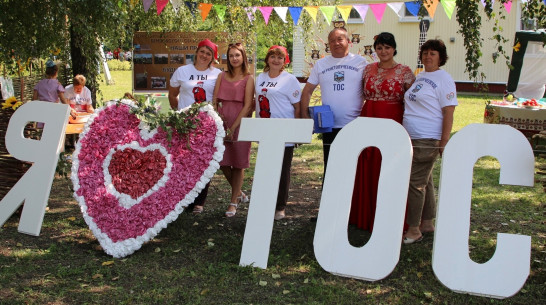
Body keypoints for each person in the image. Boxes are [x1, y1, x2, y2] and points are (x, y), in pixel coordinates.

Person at [350, 32, 415, 231]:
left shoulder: (405, 71)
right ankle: (363, 215)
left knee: (388, 164)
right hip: (368, 117)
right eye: (379, 48)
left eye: (387, 47)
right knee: (367, 162)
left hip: (392, 119)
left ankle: (390, 217)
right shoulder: (367, 69)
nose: (383, 51)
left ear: (394, 48)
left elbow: (413, 101)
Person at [402, 39, 458, 244]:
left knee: (415, 184)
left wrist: (444, 142)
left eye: (433, 53)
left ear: (441, 57)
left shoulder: (444, 79)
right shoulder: (421, 76)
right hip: (412, 136)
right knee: (426, 180)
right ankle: (427, 222)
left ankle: (414, 229)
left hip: (428, 138)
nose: (428, 56)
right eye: (425, 52)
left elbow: (448, 111)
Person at [300, 27, 368, 183]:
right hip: (328, 125)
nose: (336, 43)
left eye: (340, 39)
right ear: (328, 44)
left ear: (348, 42)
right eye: (332, 40)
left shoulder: (361, 63)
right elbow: (308, 91)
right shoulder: (321, 64)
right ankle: (329, 205)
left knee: (354, 167)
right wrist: (305, 117)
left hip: (355, 124)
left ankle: (353, 205)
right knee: (331, 166)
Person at [169, 39, 222, 214]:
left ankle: (199, 201)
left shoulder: (217, 74)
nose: (204, 56)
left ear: (212, 57)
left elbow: (217, 98)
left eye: (209, 53)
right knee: (183, 161)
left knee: (203, 162)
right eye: (202, 52)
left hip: (205, 124)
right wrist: (179, 113)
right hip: (184, 123)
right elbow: (173, 94)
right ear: (196, 52)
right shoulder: (182, 71)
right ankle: (184, 198)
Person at [255, 45, 301, 220]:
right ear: (267, 59)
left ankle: (280, 206)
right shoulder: (260, 77)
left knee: (282, 170)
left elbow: (297, 106)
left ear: (285, 61)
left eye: (280, 57)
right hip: (265, 130)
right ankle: (266, 203)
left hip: (283, 130)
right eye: (272, 56)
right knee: (266, 168)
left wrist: (296, 131)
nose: (276, 60)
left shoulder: (289, 80)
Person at [212, 42, 255, 217]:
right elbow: (214, 100)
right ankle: (239, 193)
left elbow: (247, 106)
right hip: (222, 121)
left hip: (241, 122)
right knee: (221, 161)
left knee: (238, 163)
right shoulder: (222, 76)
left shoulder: (249, 78)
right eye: (231, 55)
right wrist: (219, 120)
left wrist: (233, 127)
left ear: (243, 57)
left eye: (237, 55)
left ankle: (233, 202)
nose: (234, 58)